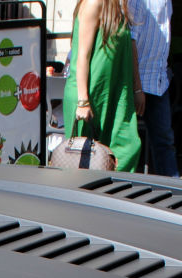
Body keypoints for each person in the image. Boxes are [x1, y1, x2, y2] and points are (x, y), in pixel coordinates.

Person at [64, 0, 143, 172]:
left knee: (128, 147)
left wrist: (137, 88)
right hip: (89, 94)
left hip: (114, 94)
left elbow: (130, 47)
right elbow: (82, 55)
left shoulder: (119, 7)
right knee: (85, 161)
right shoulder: (93, 3)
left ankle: (109, 193)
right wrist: (83, 101)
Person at [128, 0, 175, 176]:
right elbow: (130, 40)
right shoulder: (139, 1)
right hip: (140, 79)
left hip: (159, 79)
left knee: (164, 140)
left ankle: (172, 187)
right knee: (129, 141)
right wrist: (137, 88)